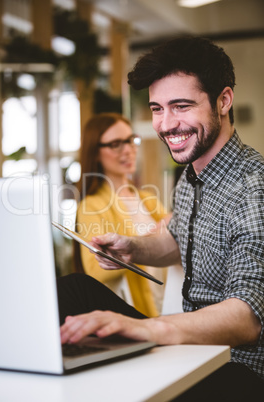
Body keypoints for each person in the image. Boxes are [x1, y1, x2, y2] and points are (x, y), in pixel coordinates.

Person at [58, 36, 264, 399]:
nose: (166, 125)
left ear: (223, 101)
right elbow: (180, 242)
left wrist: (148, 329)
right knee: (73, 289)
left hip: (235, 371)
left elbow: (247, 318)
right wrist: (133, 248)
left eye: (181, 106)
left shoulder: (254, 187)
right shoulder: (192, 174)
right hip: (190, 352)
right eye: (157, 109)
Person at [74, 112, 169, 317]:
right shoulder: (91, 206)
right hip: (135, 315)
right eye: (116, 144)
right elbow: (94, 270)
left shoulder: (148, 198)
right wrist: (141, 245)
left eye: (130, 140)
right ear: (96, 153)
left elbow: (177, 237)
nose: (128, 150)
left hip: (171, 308)